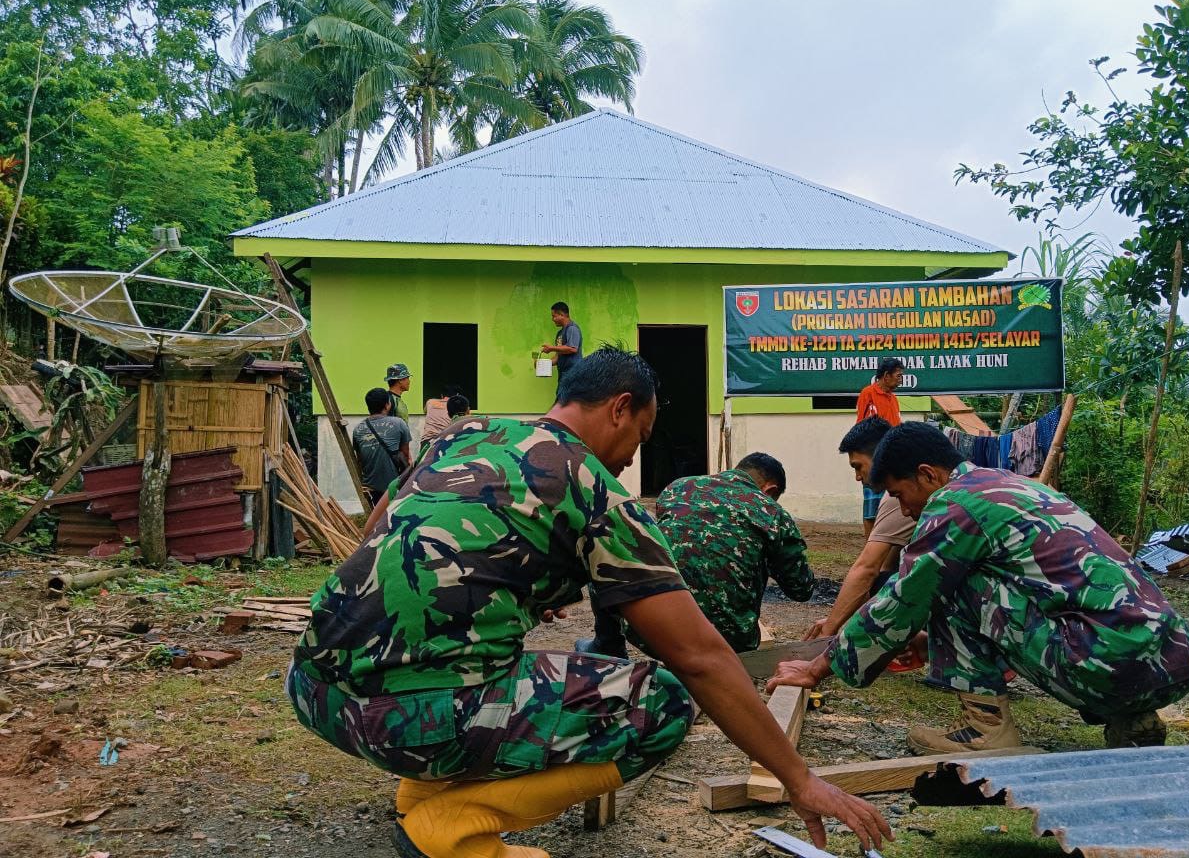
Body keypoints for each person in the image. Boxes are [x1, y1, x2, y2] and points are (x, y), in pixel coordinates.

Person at [287, 347, 889, 858]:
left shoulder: (469, 435)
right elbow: (700, 657)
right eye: (639, 438)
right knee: (662, 702)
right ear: (620, 409)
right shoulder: (594, 489)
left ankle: (420, 792)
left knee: (483, 658)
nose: (632, 457)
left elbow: (376, 530)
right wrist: (799, 779)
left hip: (315, 688)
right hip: (406, 720)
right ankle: (450, 830)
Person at [768, 422, 1189, 754]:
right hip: (1171, 663)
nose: (904, 508)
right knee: (964, 579)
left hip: (1106, 667)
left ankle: (985, 731)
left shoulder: (956, 504)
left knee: (945, 580)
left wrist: (818, 666)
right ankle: (1133, 718)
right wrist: (931, 641)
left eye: (900, 494)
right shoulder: (1012, 486)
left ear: (927, 475)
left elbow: (904, 598)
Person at [577, 453, 815, 657]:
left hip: (650, 632)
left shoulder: (679, 488)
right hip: (730, 644)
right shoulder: (771, 512)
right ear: (770, 489)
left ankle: (608, 646)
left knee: (608, 546)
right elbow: (801, 590)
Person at [803, 417, 914, 642]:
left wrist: (830, 629)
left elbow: (867, 568)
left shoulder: (897, 497)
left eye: (858, 466)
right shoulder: (898, 493)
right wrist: (846, 620)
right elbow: (885, 568)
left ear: (882, 457)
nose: (857, 477)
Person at [854, 358, 904, 538]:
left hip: (890, 461)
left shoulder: (894, 399)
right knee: (871, 507)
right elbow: (859, 428)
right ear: (886, 376)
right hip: (871, 460)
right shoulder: (867, 394)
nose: (901, 380)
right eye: (898, 376)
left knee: (889, 505)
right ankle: (869, 547)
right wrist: (860, 465)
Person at [352, 387, 412, 506]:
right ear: (387, 405)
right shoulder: (399, 423)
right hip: (395, 484)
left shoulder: (358, 429)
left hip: (371, 486)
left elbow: (360, 459)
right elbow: (406, 455)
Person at [542, 301, 582, 387]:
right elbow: (557, 358)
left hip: (573, 375)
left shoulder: (572, 328)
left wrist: (551, 348)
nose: (552, 319)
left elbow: (572, 348)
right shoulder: (559, 334)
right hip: (563, 377)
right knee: (561, 399)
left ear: (561, 315)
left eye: (554, 316)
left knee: (568, 400)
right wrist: (541, 364)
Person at [420, 384, 464, 451]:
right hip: (446, 441)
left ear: (441, 395)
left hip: (427, 442)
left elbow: (425, 411)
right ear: (457, 396)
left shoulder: (430, 402)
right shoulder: (456, 406)